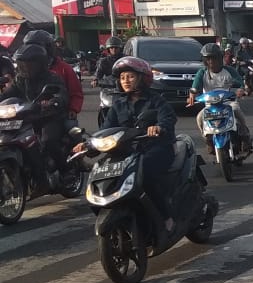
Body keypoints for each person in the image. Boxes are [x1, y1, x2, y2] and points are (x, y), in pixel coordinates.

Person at [78, 56, 177, 233]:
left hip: (156, 148)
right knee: (101, 172)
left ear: (142, 78)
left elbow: (168, 118)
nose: (126, 81)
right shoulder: (118, 105)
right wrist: (87, 145)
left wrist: (159, 127)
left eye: (130, 77)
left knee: (145, 173)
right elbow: (106, 130)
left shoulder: (156, 100)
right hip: (127, 152)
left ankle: (166, 216)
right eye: (123, 78)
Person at [1, 43, 69, 190]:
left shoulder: (52, 78)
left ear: (40, 64)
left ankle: (65, 171)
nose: (25, 67)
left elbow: (61, 94)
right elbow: (7, 95)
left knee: (48, 141)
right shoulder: (20, 80)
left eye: (29, 64)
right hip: (26, 118)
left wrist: (53, 101)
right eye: (22, 64)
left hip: (49, 117)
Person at [187, 43, 252, 153]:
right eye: (208, 59)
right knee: (199, 118)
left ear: (220, 58)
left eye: (214, 58)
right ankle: (208, 140)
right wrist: (192, 94)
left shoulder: (229, 70)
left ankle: (245, 137)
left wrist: (240, 90)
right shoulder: (202, 72)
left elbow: (239, 83)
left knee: (237, 111)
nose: (211, 61)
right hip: (210, 105)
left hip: (228, 102)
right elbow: (195, 86)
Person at [23, 30, 84, 121]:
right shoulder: (23, 72)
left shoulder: (64, 68)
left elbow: (75, 92)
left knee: (70, 126)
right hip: (28, 115)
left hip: (56, 115)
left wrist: (73, 109)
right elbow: (12, 91)